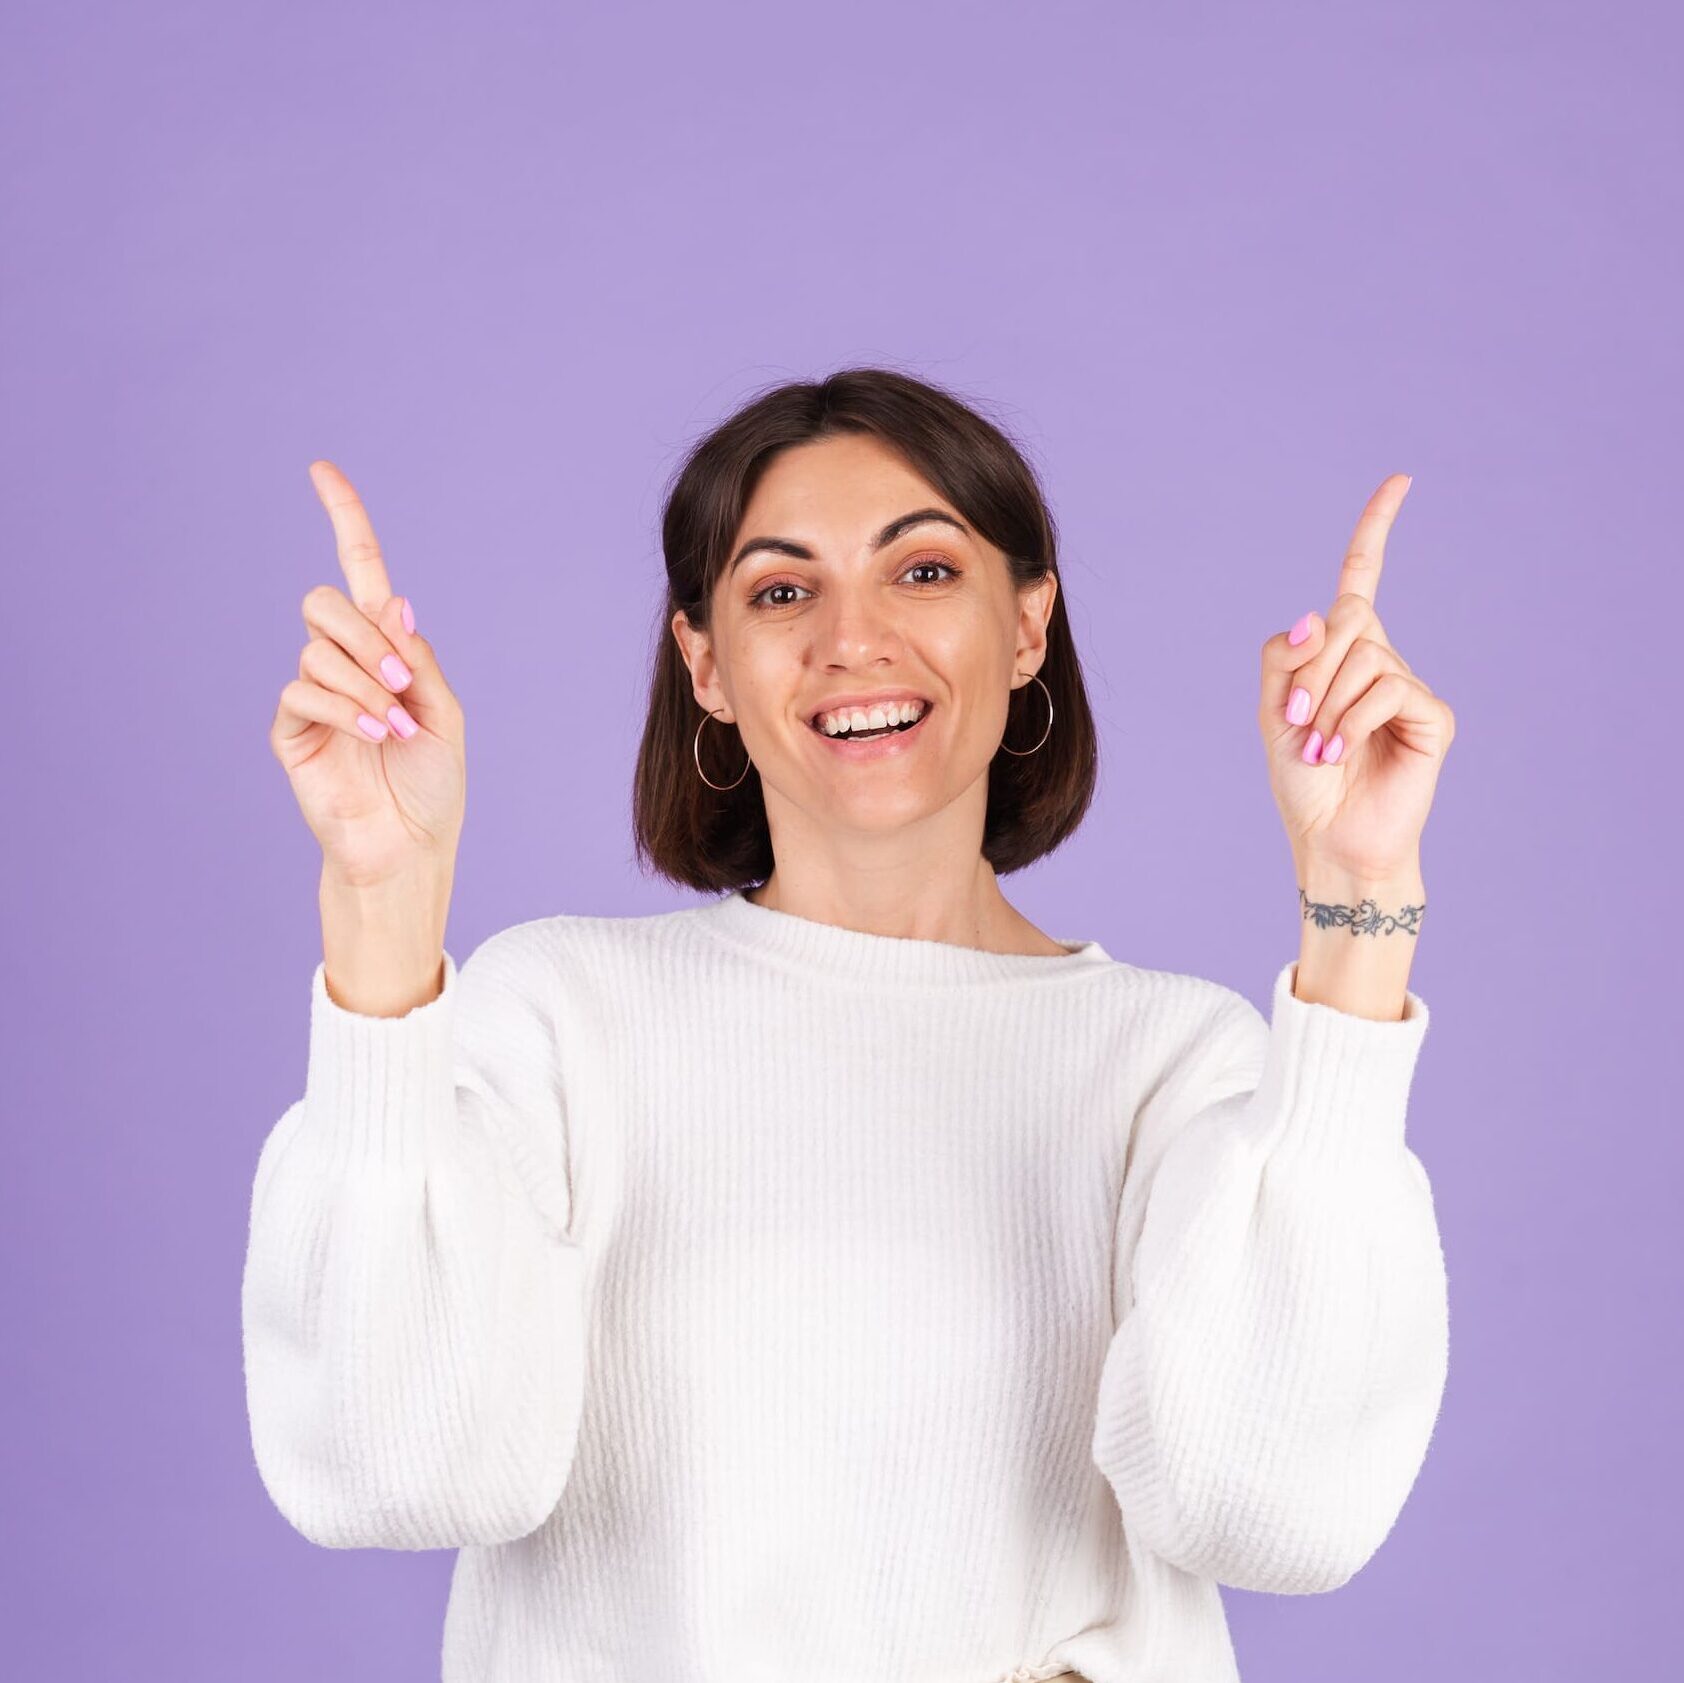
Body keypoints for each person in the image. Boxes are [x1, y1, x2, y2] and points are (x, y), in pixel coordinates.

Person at [243, 367, 1454, 1683]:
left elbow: (1276, 1514)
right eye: (781, 590)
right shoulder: (558, 1014)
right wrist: (384, 896)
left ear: (1028, 627)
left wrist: (1359, 900)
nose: (853, 639)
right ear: (705, 664)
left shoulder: (1173, 1064)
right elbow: (393, 1469)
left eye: (923, 572)